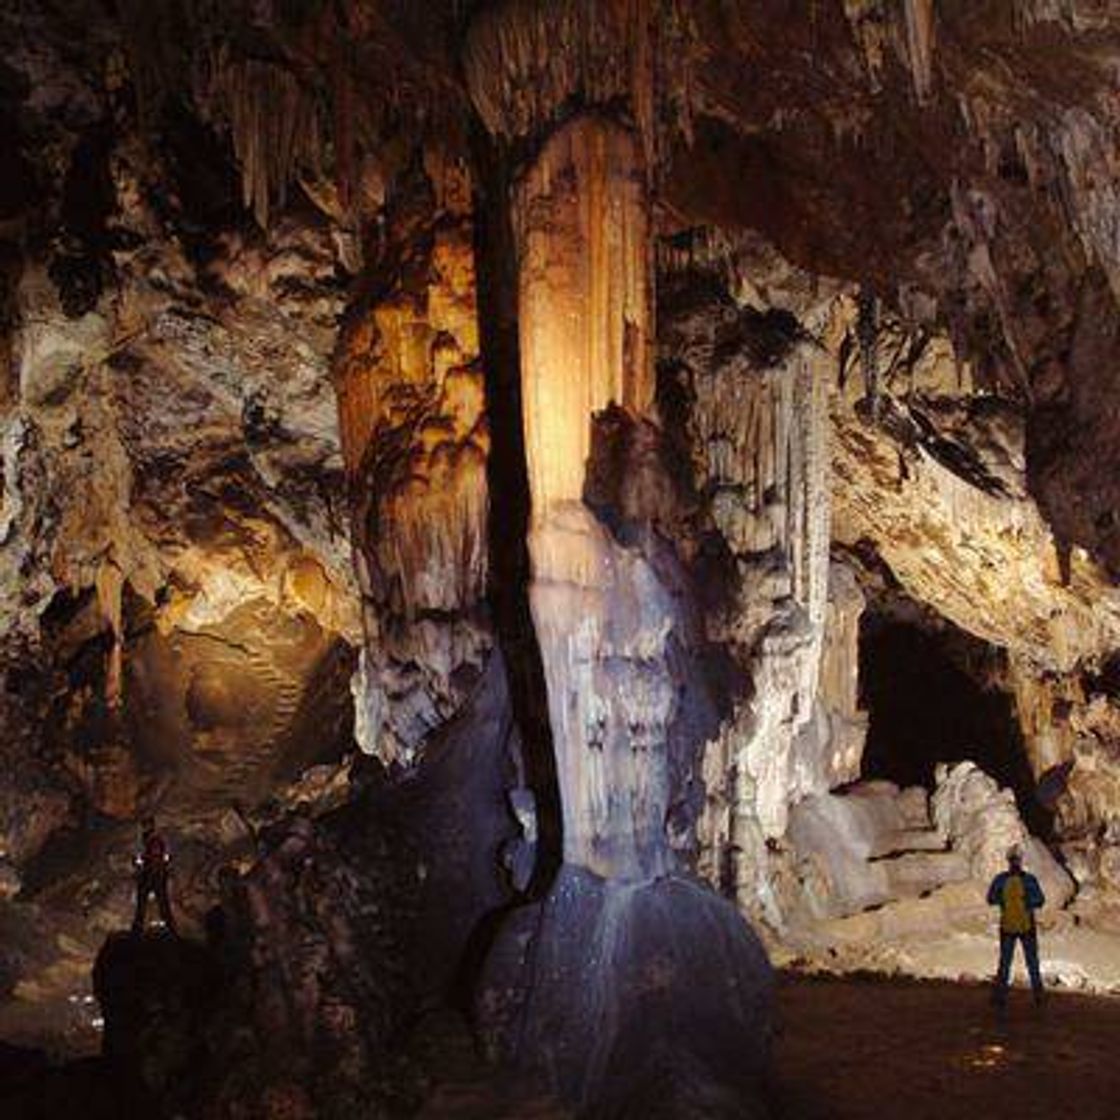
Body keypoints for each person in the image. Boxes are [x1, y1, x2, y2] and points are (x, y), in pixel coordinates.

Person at [986, 847, 1045, 1006]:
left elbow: (990, 899)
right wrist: (1026, 902)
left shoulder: (1000, 879)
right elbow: (1040, 900)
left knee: (1005, 962)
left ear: (1008, 861)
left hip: (1007, 926)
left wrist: (1004, 901)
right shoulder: (1029, 879)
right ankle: (1039, 997)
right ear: (1020, 861)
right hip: (1027, 925)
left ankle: (999, 997)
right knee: (1032, 961)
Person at [131, 815, 178, 935]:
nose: (145, 828)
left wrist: (145, 864)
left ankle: (170, 928)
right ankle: (138, 928)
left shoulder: (155, 840)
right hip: (149, 874)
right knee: (145, 903)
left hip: (154, 875)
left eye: (146, 825)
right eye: (144, 825)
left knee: (160, 903)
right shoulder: (146, 840)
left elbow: (158, 858)